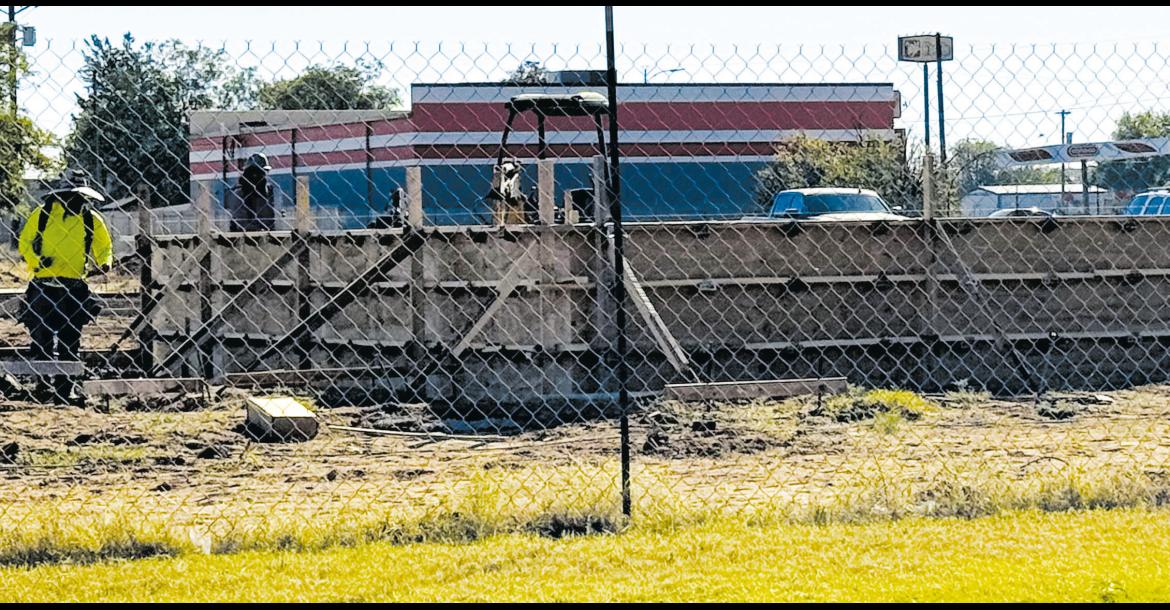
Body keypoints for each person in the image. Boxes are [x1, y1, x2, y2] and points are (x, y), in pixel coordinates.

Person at [17, 170, 113, 403]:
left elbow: (104, 246)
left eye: (81, 197)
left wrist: (104, 263)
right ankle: (42, 384)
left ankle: (65, 388)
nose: (78, 202)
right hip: (44, 286)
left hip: (74, 287)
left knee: (72, 338)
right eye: (74, 197)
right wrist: (37, 261)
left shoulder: (91, 219)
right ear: (62, 196)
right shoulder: (43, 215)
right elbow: (24, 243)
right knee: (42, 338)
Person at [233, 153, 276, 231]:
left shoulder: (268, 190)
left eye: (263, 173)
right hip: (244, 233)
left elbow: (270, 217)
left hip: (264, 232)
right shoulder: (240, 192)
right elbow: (239, 220)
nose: (263, 176)